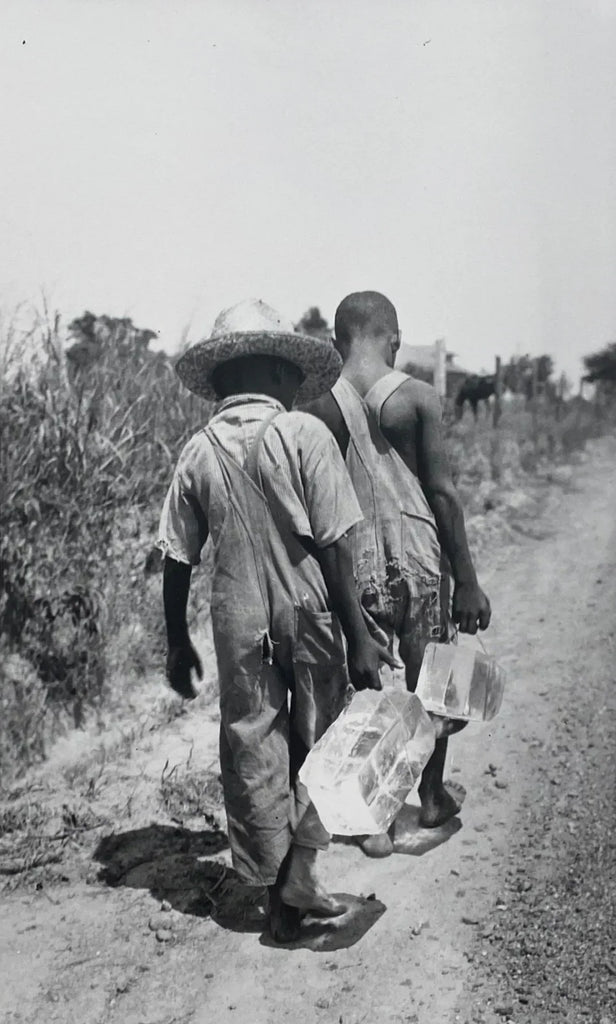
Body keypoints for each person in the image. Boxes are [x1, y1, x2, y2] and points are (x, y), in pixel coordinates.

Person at [157, 298, 398, 940]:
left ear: (227, 379)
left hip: (237, 622)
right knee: (330, 736)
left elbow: (176, 558)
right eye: (292, 373)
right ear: (278, 372)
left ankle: (277, 896)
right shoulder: (305, 434)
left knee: (252, 742)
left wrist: (178, 643)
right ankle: (299, 878)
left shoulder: (197, 452)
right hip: (312, 611)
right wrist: (360, 635)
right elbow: (339, 545)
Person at [306, 290, 491, 857]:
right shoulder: (419, 399)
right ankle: (430, 798)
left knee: (366, 694)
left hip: (353, 564)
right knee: (432, 681)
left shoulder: (317, 408)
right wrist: (468, 578)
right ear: (396, 339)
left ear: (336, 343)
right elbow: (442, 492)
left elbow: (314, 510)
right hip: (419, 560)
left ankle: (376, 819)